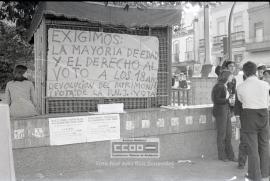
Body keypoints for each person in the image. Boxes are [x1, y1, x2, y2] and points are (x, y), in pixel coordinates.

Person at [236, 61, 270, 181]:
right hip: (264, 115)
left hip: (249, 116)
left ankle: (254, 175)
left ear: (244, 72)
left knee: (252, 147)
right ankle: (265, 172)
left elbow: (240, 101)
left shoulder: (240, 87)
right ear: (256, 71)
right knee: (265, 145)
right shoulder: (265, 85)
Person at [211, 70, 237, 162]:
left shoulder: (227, 86)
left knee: (228, 135)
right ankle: (222, 156)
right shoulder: (219, 86)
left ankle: (230, 155)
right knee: (222, 135)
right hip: (220, 112)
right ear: (226, 76)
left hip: (226, 111)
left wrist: (230, 103)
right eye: (231, 76)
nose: (232, 78)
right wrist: (227, 101)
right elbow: (215, 100)